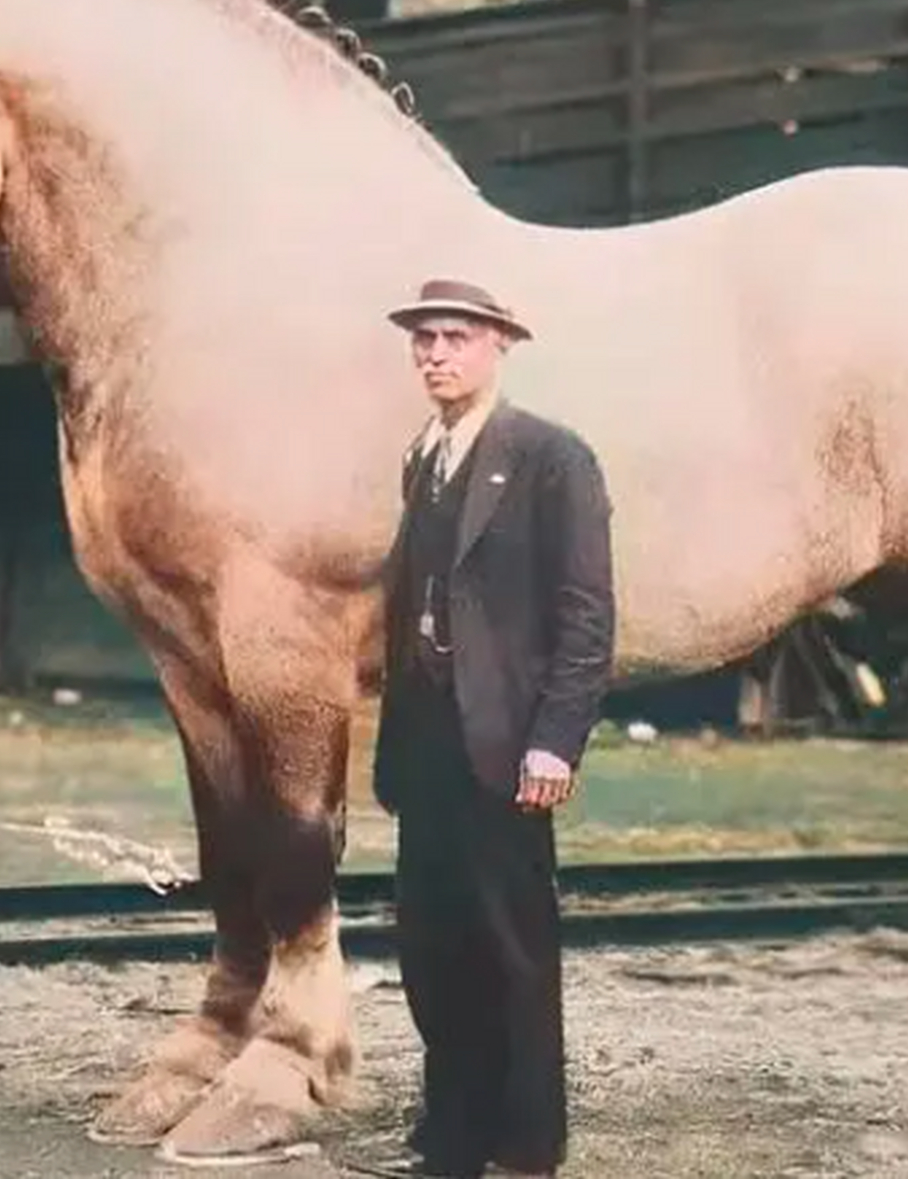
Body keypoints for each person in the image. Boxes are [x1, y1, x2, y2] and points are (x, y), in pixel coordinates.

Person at [371, 278, 615, 1179]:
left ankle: (525, 1148)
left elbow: (586, 615)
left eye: (454, 339)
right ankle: (452, 1137)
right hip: (427, 741)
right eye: (423, 340)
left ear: (499, 346)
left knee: (512, 948)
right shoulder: (422, 456)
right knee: (434, 948)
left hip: (509, 744)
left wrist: (555, 739)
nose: (435, 354)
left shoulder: (551, 458)